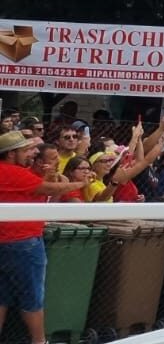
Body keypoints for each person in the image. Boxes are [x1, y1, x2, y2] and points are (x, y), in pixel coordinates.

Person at [1, 130, 91, 344]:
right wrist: (80, 184)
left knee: (2, 296)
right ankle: (40, 341)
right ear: (11, 154)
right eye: (25, 150)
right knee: (32, 298)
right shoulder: (12, 172)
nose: (30, 154)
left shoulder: (15, 172)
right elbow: (47, 188)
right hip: (23, 242)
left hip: (9, 242)